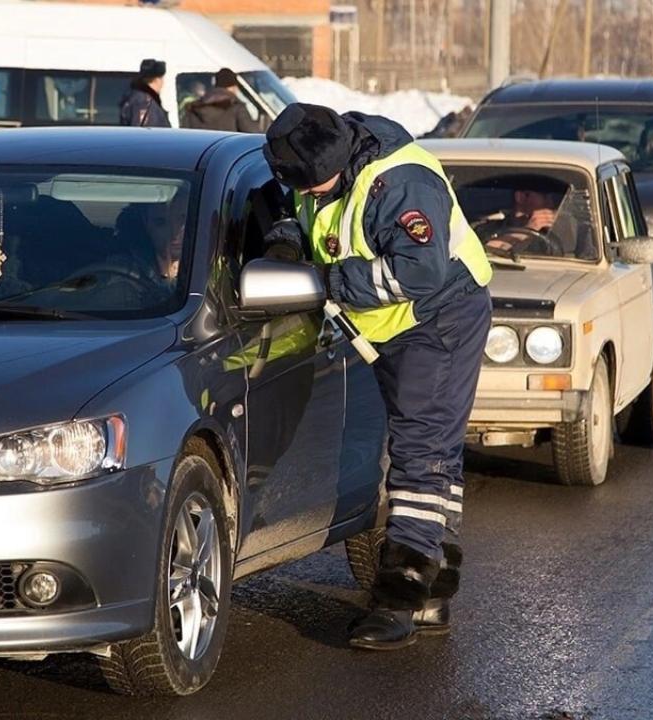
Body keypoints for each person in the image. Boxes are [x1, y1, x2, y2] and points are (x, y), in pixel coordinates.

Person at [260, 103, 493, 649]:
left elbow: (420, 270)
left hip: (439, 319)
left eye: (315, 188)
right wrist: (285, 241)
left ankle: (399, 598)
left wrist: (327, 279)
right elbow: (300, 209)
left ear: (336, 163)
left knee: (419, 455)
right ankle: (435, 586)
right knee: (435, 451)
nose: (310, 195)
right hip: (392, 329)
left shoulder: (399, 183)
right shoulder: (318, 155)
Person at [182, 68, 260, 133]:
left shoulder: (193, 108)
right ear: (233, 87)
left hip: (200, 151)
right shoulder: (236, 108)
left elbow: (185, 136)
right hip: (230, 151)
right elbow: (254, 135)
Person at [119, 58, 171, 128]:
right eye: (161, 79)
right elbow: (144, 134)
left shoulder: (137, 97)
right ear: (157, 80)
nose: (162, 83)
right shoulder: (144, 101)